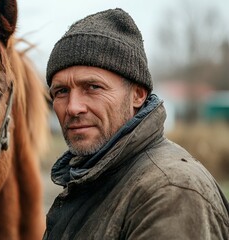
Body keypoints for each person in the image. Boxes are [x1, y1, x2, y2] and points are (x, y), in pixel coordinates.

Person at [43, 8, 229, 239]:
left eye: (93, 87)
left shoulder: (171, 191)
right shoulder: (93, 177)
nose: (73, 107)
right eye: (61, 91)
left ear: (138, 95)